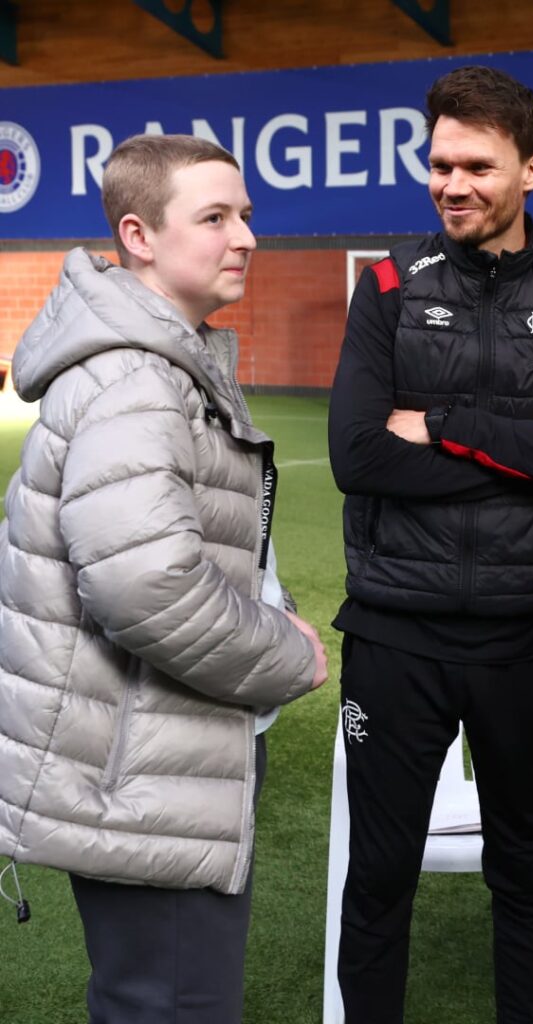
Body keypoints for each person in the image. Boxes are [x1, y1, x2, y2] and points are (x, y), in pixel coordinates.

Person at [329, 64, 533, 1023]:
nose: (451, 184)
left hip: (528, 636)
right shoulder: (385, 287)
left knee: (527, 876)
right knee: (378, 877)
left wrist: (448, 420)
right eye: (439, 164)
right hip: (396, 635)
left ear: (532, 170)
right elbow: (358, 455)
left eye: (477, 165)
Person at [0, 133, 329, 1024]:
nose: (246, 237)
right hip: (141, 770)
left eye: (248, 215)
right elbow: (147, 587)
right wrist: (287, 653)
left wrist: (272, 605)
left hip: (149, 757)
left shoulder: (163, 361)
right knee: (173, 1006)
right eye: (215, 217)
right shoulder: (135, 380)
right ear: (139, 235)